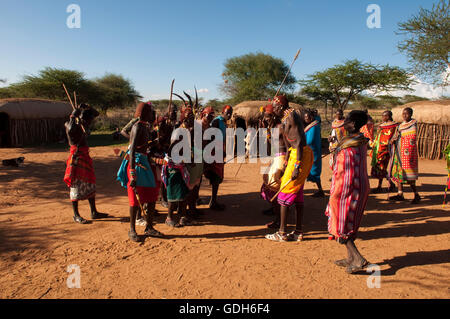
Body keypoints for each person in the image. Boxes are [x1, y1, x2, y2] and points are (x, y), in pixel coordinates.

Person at [326, 110, 371, 274]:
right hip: (359, 186)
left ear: (352, 124)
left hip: (348, 188)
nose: (344, 123)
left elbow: (343, 172)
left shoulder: (348, 146)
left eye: (347, 121)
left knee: (341, 223)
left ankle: (359, 259)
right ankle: (350, 258)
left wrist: (336, 195)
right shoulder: (359, 140)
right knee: (348, 223)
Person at [265, 95, 314, 242]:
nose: (273, 110)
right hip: (296, 155)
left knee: (283, 194)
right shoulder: (287, 117)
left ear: (280, 106)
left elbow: (298, 143)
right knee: (297, 194)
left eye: (274, 107)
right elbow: (290, 144)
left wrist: (296, 167)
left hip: (299, 156)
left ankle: (282, 232)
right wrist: (287, 160)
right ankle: (298, 231)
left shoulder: (291, 117)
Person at [117, 102, 163, 242]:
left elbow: (142, 145)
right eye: (150, 112)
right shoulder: (137, 127)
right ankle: (132, 230)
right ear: (144, 113)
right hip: (135, 163)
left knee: (151, 194)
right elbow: (132, 151)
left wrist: (153, 143)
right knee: (134, 199)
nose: (152, 114)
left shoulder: (145, 127)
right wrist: (132, 173)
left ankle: (149, 227)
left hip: (144, 161)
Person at [63, 104, 108, 224]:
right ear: (82, 118)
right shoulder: (72, 126)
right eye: (89, 120)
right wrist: (73, 114)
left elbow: (96, 113)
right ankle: (76, 215)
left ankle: (94, 212)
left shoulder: (83, 126)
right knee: (75, 186)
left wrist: (86, 106)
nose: (90, 123)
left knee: (90, 183)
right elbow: (70, 129)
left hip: (85, 157)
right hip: (77, 159)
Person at [203, 105, 233, 210]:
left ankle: (213, 200)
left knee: (217, 176)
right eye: (227, 112)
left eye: (230, 113)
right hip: (214, 152)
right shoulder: (216, 122)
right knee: (216, 176)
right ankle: (213, 202)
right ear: (222, 112)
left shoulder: (223, 123)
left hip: (219, 152)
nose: (229, 115)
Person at [388, 107, 421, 204]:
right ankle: (400, 194)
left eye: (406, 114)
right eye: (403, 114)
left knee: (409, 174)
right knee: (399, 172)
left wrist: (400, 139)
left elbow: (411, 138)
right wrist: (392, 140)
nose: (404, 116)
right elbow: (396, 136)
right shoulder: (400, 126)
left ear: (411, 114)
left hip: (407, 154)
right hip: (398, 152)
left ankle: (416, 194)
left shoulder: (413, 124)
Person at [370, 111, 398, 193]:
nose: (382, 118)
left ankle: (380, 186)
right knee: (380, 167)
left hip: (386, 149)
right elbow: (378, 136)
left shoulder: (394, 126)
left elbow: (393, 137)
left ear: (388, 116)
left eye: (384, 116)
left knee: (383, 167)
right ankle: (390, 183)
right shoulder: (382, 125)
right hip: (378, 149)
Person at [304, 109, 324, 197]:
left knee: (313, 172)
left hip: (312, 153)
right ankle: (320, 190)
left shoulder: (314, 126)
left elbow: (310, 140)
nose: (305, 119)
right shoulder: (313, 125)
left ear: (311, 117)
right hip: (311, 152)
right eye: (304, 117)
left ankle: (320, 191)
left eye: (307, 117)